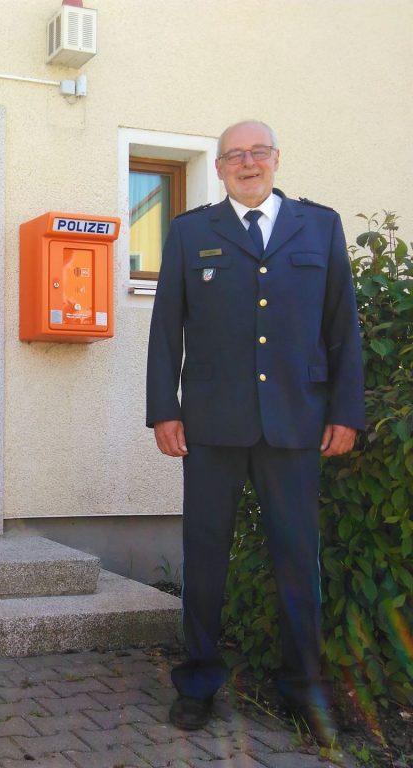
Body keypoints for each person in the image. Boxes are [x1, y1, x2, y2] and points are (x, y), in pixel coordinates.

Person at [146, 120, 364, 743]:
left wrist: (345, 412)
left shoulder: (319, 226)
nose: (248, 163)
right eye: (235, 155)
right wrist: (165, 409)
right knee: (205, 557)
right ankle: (198, 682)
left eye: (258, 152)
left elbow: (342, 327)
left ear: (275, 159)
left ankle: (305, 689)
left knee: (298, 560)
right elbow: (166, 330)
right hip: (212, 425)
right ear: (218, 168)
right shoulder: (191, 231)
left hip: (296, 424)